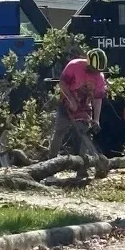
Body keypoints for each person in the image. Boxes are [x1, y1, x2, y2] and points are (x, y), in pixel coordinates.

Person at [49, 48, 109, 176]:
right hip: (67, 103)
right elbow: (62, 83)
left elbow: (97, 99)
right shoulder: (74, 66)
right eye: (94, 69)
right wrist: (71, 99)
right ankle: (50, 164)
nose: (96, 72)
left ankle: (82, 168)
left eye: (98, 71)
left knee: (85, 134)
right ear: (88, 63)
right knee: (60, 131)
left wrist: (96, 119)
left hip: (84, 107)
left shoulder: (100, 78)